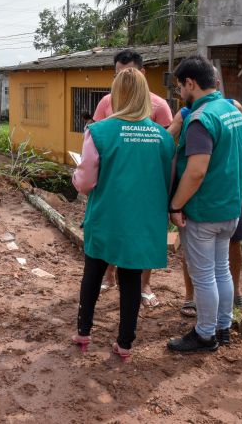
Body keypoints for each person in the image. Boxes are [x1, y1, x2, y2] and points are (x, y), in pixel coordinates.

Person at [71, 68, 175, 362]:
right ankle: (125, 343)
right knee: (131, 279)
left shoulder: (99, 131)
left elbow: (86, 182)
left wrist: (76, 178)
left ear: (116, 95)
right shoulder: (162, 137)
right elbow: (167, 181)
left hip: (106, 215)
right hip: (143, 219)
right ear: (145, 96)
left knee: (93, 273)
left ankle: (83, 332)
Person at [167, 55, 242, 353]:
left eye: (180, 86)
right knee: (221, 270)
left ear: (190, 83)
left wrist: (175, 205)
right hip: (229, 208)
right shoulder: (231, 110)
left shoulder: (201, 119)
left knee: (203, 276)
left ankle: (204, 334)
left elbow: (197, 171)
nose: (179, 93)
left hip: (205, 210)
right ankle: (223, 327)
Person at [92, 49, 174, 307]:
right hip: (115, 185)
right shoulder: (106, 103)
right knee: (112, 230)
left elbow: (166, 146)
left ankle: (145, 284)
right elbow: (95, 142)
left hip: (146, 187)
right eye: (118, 75)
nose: (123, 80)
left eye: (129, 73)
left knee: (144, 236)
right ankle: (109, 275)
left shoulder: (159, 106)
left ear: (142, 73)